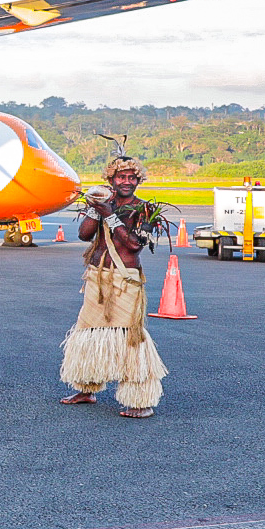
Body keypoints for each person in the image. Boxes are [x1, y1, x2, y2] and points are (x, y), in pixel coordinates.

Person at [59, 156, 170, 418]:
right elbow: (84, 235)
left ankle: (140, 400)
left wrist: (110, 216)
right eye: (122, 177)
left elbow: (133, 244)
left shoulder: (144, 210)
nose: (127, 182)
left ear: (138, 181)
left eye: (133, 178)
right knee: (88, 332)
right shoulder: (103, 204)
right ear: (111, 180)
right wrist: (94, 206)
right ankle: (87, 388)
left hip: (125, 279)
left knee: (130, 337)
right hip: (97, 277)